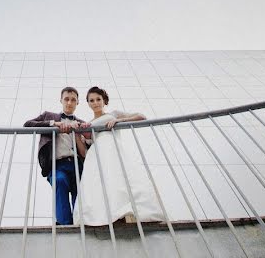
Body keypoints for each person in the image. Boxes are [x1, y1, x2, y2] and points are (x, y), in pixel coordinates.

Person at [74, 86, 165, 226]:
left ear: (104, 101)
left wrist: (119, 121)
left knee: (119, 179)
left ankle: (129, 213)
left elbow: (141, 116)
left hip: (113, 149)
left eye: (98, 99)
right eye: (91, 100)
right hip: (96, 153)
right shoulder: (88, 124)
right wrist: (78, 134)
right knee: (102, 183)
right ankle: (107, 216)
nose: (95, 103)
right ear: (88, 103)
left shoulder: (114, 114)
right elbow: (83, 152)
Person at [23, 86, 89, 225]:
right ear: (61, 100)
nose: (69, 103)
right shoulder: (49, 116)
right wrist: (54, 124)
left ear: (77, 103)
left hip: (78, 164)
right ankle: (65, 224)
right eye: (66, 99)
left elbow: (88, 148)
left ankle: (80, 223)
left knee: (81, 192)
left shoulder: (82, 123)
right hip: (57, 164)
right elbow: (28, 124)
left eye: (73, 100)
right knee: (59, 181)